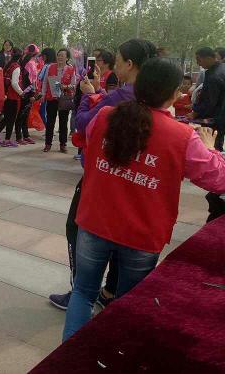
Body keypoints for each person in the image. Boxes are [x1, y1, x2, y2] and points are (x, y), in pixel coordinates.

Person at [62, 58, 225, 341]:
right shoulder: (183, 136)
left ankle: (69, 356)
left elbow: (88, 140)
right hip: (141, 234)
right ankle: (112, 356)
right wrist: (212, 149)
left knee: (83, 292)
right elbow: (218, 179)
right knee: (128, 303)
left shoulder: (106, 116)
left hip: (94, 221)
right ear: (174, 94)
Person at [48, 38, 158, 311]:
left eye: (117, 60)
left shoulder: (121, 96)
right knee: (123, 236)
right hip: (136, 177)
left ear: (129, 64)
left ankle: (81, 292)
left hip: (104, 171)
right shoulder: (154, 96)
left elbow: (84, 124)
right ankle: (110, 291)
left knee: (76, 227)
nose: (114, 65)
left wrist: (88, 96)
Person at [190, 47, 225, 150]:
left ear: (209, 58)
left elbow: (209, 102)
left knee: (212, 144)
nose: (198, 63)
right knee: (218, 140)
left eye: (199, 59)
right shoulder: (222, 68)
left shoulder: (214, 76)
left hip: (215, 117)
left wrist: (195, 112)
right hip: (221, 115)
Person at [41, 48, 76, 153]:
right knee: (50, 122)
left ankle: (63, 144)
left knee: (63, 122)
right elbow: (45, 82)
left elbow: (74, 85)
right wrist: (43, 94)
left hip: (64, 99)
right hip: (52, 98)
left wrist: (65, 86)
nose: (60, 57)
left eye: (62, 55)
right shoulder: (50, 67)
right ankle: (48, 144)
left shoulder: (71, 69)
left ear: (67, 58)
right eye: (58, 55)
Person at [0, 48, 24, 147]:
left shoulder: (8, 66)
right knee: (11, 119)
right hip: (13, 97)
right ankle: (7, 140)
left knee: (6, 118)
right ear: (21, 57)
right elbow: (14, 83)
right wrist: (21, 93)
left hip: (6, 95)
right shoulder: (16, 67)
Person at [14, 46, 39, 145]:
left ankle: (25, 135)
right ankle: (19, 137)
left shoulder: (28, 63)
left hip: (27, 92)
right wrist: (32, 94)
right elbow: (30, 81)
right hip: (26, 93)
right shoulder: (30, 64)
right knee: (22, 115)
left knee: (25, 115)